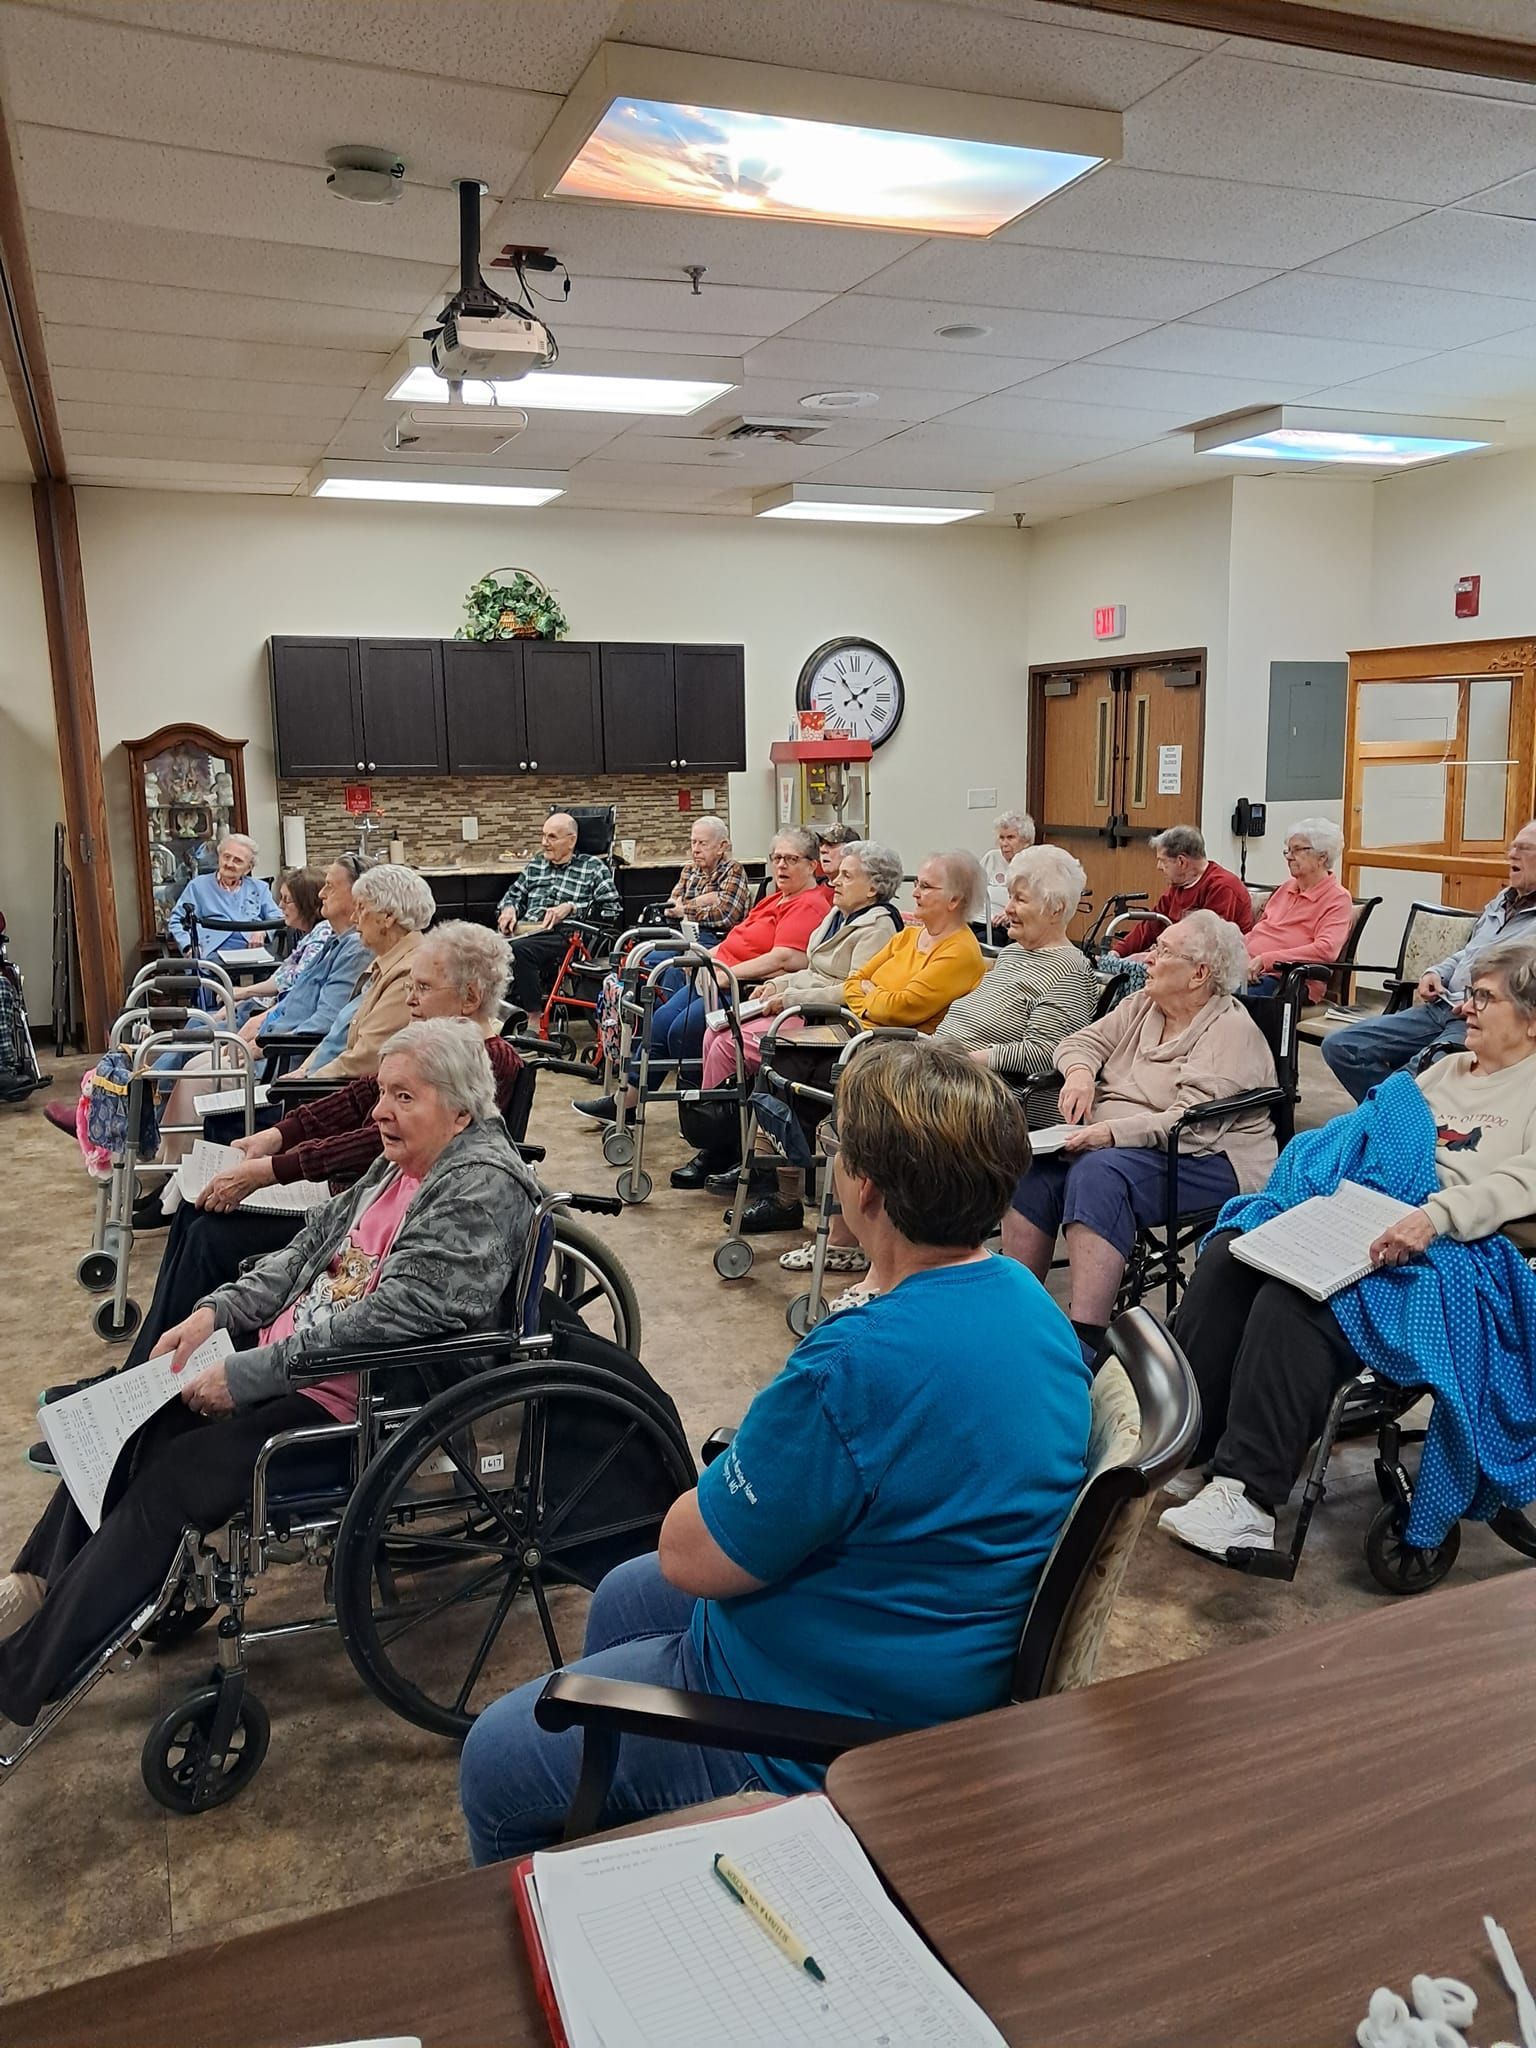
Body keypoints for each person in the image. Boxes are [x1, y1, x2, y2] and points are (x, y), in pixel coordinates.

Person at [458, 1039, 1091, 1864]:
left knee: (496, 1762)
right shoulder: (1023, 1298)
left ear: (864, 1189)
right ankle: (626, 1830)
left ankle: (566, 1917)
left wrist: (737, 1465)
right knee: (619, 1595)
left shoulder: (859, 1363)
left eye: (835, 1151)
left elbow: (692, 1556)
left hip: (823, 1724)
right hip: (926, 1644)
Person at [0, 1020, 538, 1726]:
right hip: (294, 1364)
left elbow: (398, 1321)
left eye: (403, 1096)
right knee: (120, 1422)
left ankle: (23, 1673)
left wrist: (250, 1375)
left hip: (360, 1398)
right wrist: (215, 1314)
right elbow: (310, 1246)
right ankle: (34, 1587)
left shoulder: (477, 1186)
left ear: (462, 1109)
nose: (378, 1111)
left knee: (173, 1478)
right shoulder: (402, 1162)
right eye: (383, 1093)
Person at [1160, 940, 1536, 1562]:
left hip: (1449, 1246)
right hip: (1367, 1207)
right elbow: (1376, 1127)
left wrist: (1433, 1216)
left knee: (1298, 1293)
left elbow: (1521, 1183)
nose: (1467, 1008)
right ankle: (1193, 1441)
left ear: (1530, 1017)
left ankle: (1247, 1497)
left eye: (1485, 999)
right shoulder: (1445, 1069)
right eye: (1470, 994)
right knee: (1234, 1254)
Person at [1003, 910, 1277, 1365]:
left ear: (1199, 974)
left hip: (1208, 1157)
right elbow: (1080, 1043)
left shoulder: (1230, 1031)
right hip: (1126, 1144)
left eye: (1163, 951)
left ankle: (1085, 1339)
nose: (1147, 958)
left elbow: (1192, 1123)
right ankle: (1017, 1317)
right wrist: (1079, 1077)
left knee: (1098, 1174)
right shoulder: (1142, 1006)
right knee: (1037, 1165)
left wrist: (1108, 1133)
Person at [571, 828, 831, 1187]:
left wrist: (726, 973)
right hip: (715, 972)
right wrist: (707, 957)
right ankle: (627, 1102)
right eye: (777, 858)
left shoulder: (810, 903)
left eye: (792, 859)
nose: (782, 865)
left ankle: (714, 1141)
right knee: (659, 1022)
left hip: (741, 988)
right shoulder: (775, 898)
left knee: (683, 1035)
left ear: (813, 865)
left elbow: (789, 957)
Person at [705, 842, 905, 1237]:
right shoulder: (838, 912)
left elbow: (851, 990)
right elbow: (813, 968)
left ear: (873, 887)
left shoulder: (879, 925)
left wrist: (788, 998)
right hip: (807, 1009)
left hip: (838, 1023)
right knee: (725, 1034)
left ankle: (774, 1183)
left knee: (759, 1053)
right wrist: (777, 984)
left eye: (847, 875)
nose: (835, 880)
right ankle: (743, 1159)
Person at [154, 857, 369, 1151]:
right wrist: (261, 1024)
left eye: (330, 887)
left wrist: (261, 1044)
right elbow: (293, 997)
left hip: (283, 1057)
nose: (321, 893)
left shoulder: (355, 948)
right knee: (196, 1058)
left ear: (359, 894)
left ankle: (173, 1170)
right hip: (271, 1038)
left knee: (196, 1078)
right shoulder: (335, 940)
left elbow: (326, 1022)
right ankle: (168, 1166)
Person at [1321, 819, 1536, 1103]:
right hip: (1439, 1006)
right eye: (1511, 847)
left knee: (1410, 1081)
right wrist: (1436, 972)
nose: (1511, 855)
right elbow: (1469, 951)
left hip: (1477, 1018)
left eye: (1523, 849)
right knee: (1342, 1046)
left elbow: (1524, 985)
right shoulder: (1502, 901)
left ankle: (1393, 1115)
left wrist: (1478, 1000)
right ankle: (1407, 1118)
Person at [936, 844, 1100, 1081]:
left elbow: (1048, 1051)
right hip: (945, 1072)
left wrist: (968, 1060)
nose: (1009, 908)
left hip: (985, 1090)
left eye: (1020, 900)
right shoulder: (1012, 954)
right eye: (1010, 896)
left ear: (1056, 910)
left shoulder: (1070, 971)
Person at [298, 864, 436, 1081]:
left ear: (388, 917)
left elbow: (367, 1059)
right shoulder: (384, 961)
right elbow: (337, 1037)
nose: (354, 918)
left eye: (361, 908)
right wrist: (303, 1071)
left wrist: (305, 1081)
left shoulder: (410, 973)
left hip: (335, 1093)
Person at [496, 813, 623, 1016]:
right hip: (526, 929)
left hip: (565, 933)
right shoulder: (536, 866)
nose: (544, 843)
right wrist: (509, 909)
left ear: (571, 840)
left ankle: (533, 1019)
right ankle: (492, 1018)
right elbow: (512, 896)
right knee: (478, 946)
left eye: (552, 837)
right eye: (543, 836)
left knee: (520, 950)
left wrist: (572, 907)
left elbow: (612, 909)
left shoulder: (593, 868)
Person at [844, 850, 986, 1030]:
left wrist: (870, 992)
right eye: (916, 884)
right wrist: (870, 1009)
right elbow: (853, 980)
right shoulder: (907, 935)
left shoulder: (959, 952)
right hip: (855, 1032)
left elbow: (899, 1009)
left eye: (925, 886)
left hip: (896, 1048)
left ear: (954, 900)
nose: (915, 893)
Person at [1106, 826, 1252, 960]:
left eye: (1163, 861)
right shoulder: (1177, 887)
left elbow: (1207, 942)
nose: (1159, 867)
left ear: (1181, 862)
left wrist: (1158, 954)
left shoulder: (1222, 887)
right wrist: (1117, 953)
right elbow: (1149, 927)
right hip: (1181, 959)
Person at [1243, 819, 1353, 998]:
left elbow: (1325, 950)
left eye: (1297, 850)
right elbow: (1259, 931)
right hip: (1252, 970)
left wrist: (1266, 960)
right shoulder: (1285, 888)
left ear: (1322, 856)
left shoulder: (1337, 898)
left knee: (1227, 1000)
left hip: (1290, 980)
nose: (1288, 856)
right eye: (1288, 850)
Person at [165, 833, 281, 962]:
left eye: (238, 860)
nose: (229, 864)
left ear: (248, 868)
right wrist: (188, 947)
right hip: (211, 951)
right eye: (226, 857)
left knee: (271, 975)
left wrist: (263, 931)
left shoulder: (260, 888)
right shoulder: (197, 886)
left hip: (252, 951)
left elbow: (278, 917)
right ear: (219, 857)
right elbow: (176, 920)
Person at [233, 867, 327, 1018]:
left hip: (276, 1015)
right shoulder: (309, 935)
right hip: (265, 1006)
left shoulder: (322, 935)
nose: (280, 906)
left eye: (286, 900)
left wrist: (244, 992)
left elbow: (292, 981)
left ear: (308, 903)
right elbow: (283, 975)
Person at [659, 816, 751, 945]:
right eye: (693, 842)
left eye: (702, 843)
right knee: (648, 960)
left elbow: (724, 916)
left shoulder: (733, 870)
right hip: (682, 934)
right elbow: (670, 908)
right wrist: (702, 901)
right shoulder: (689, 870)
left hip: (718, 940)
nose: (695, 849)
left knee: (672, 964)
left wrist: (684, 911)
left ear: (721, 847)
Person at [982, 810, 1035, 931]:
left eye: (1010, 838)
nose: (1004, 844)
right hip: (979, 921)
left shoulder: (1034, 865)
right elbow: (972, 891)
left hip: (1007, 926)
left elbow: (1035, 904)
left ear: (1026, 841)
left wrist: (1012, 914)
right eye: (1001, 838)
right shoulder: (992, 858)